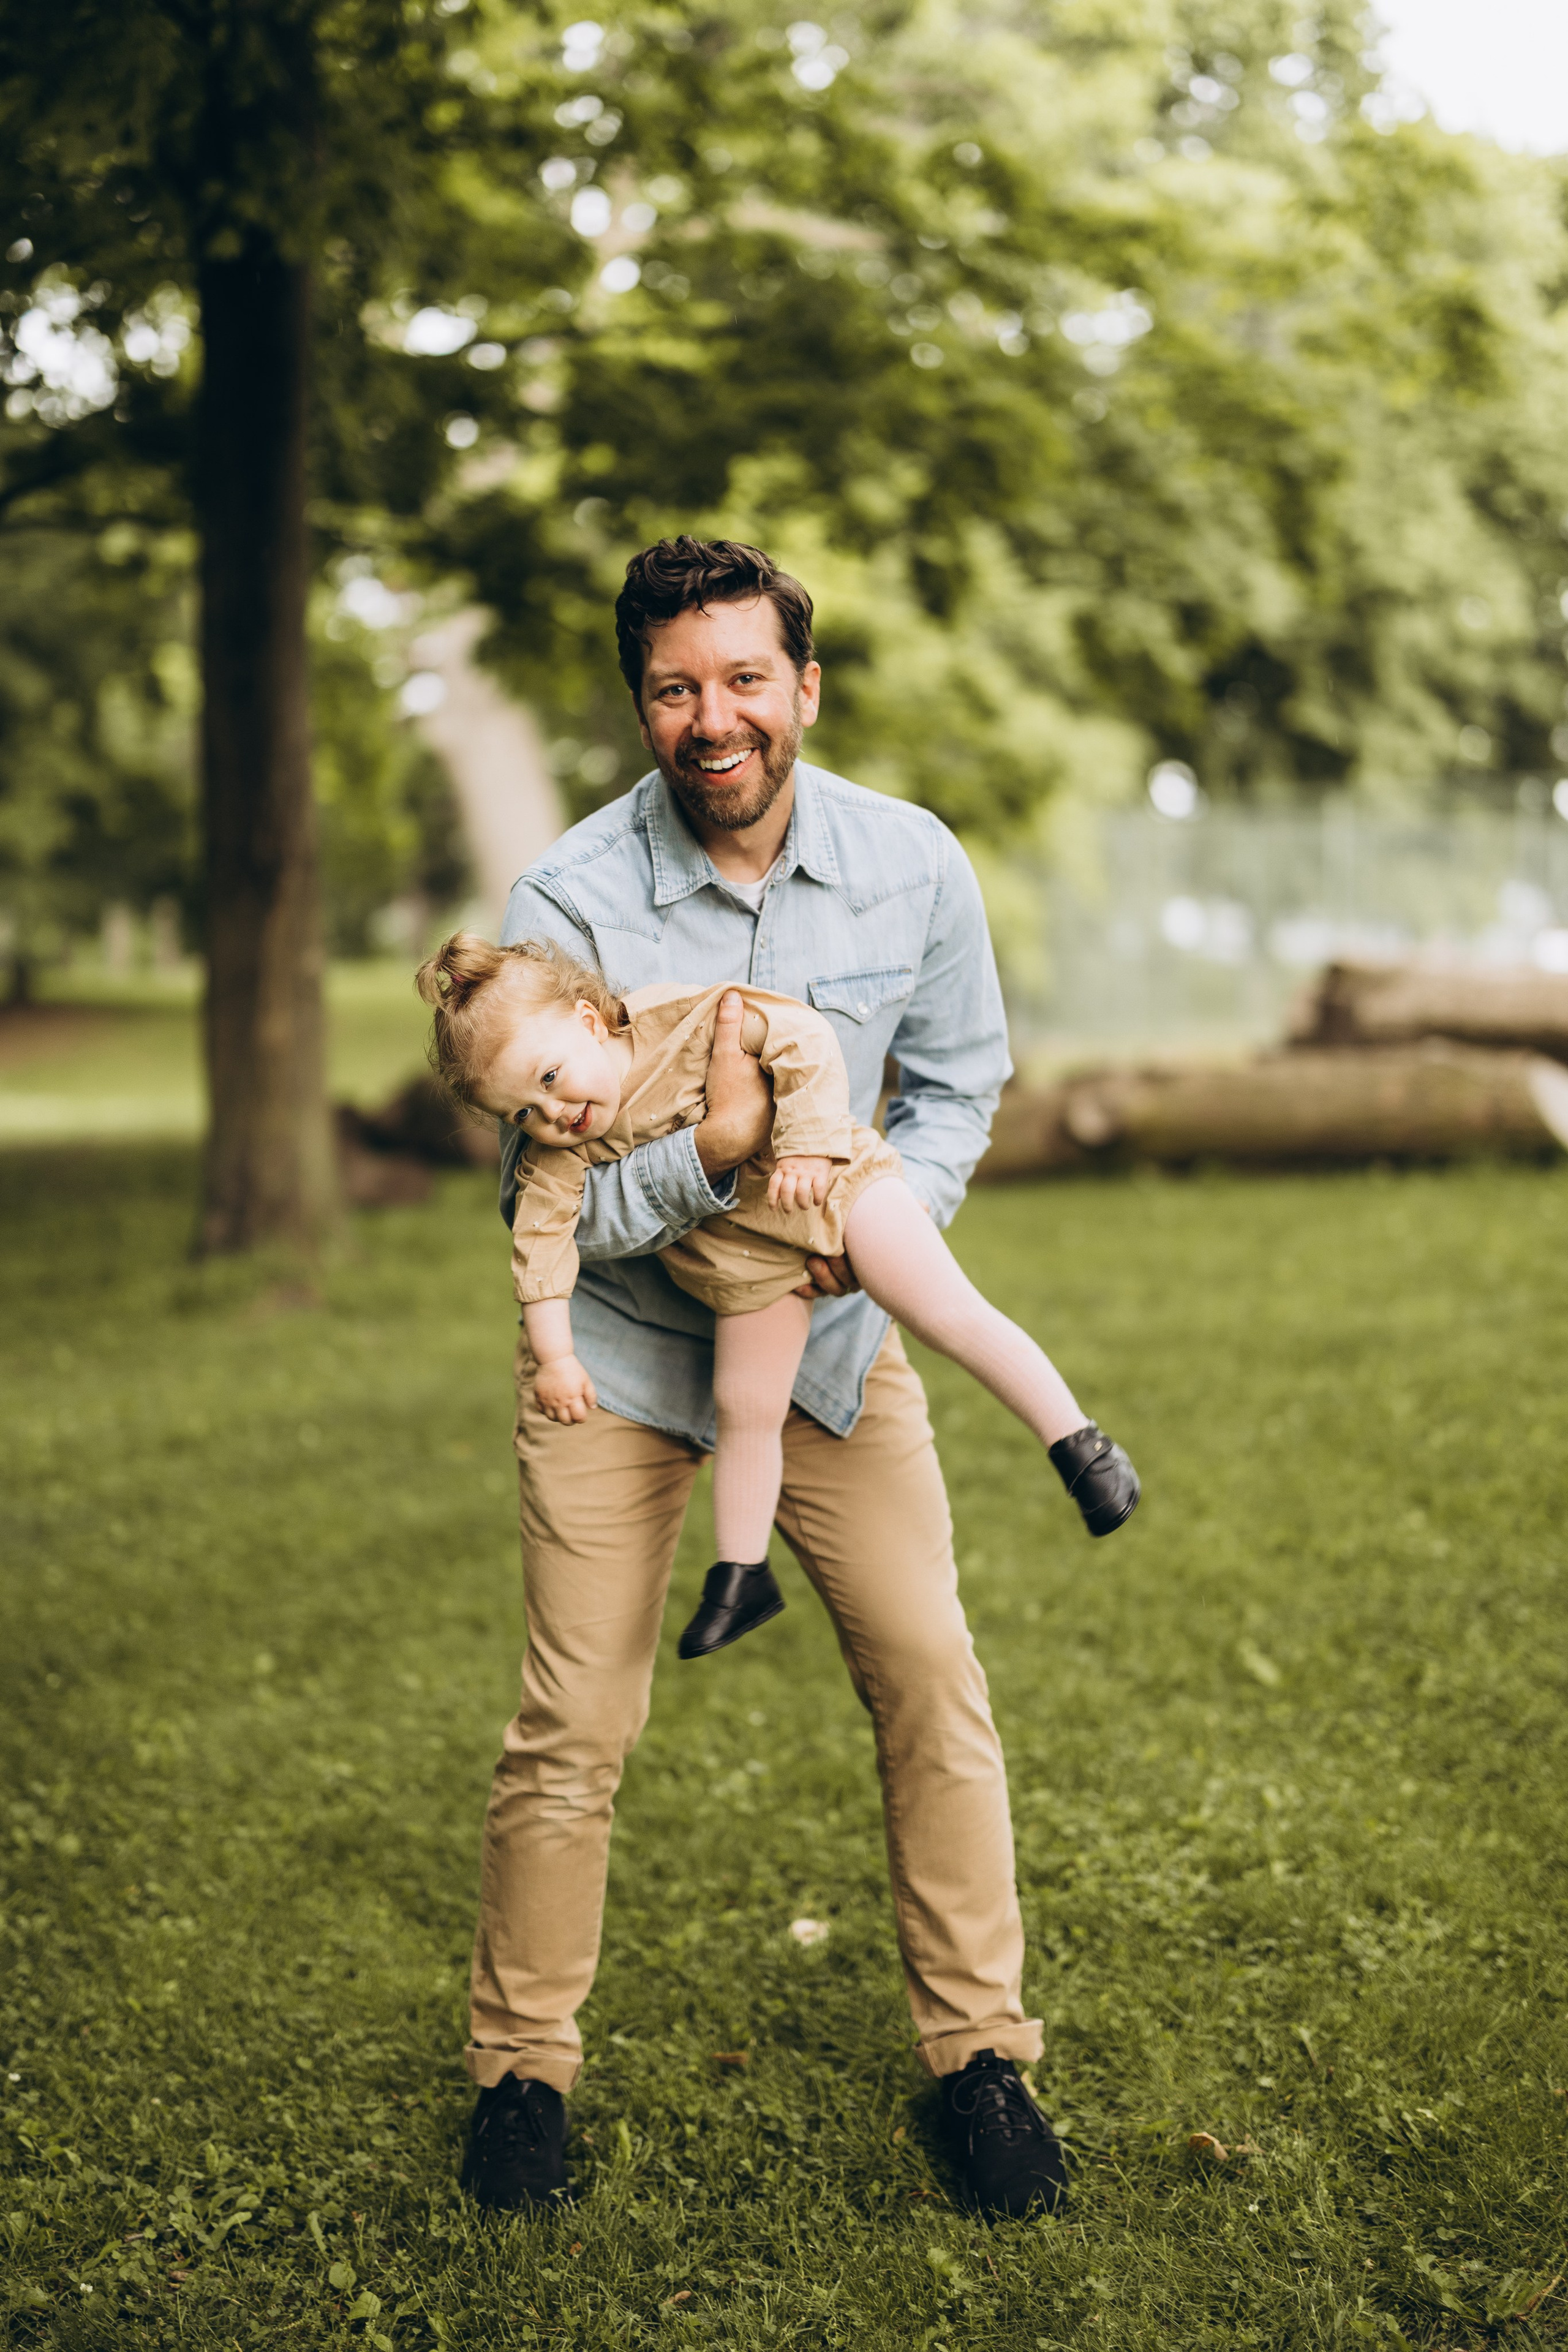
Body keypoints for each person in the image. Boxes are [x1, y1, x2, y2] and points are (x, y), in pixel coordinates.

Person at [458, 535, 1131, 2220]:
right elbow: (556, 1204)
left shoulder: (912, 865)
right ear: (643, 704)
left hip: (831, 1352)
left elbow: (961, 1084)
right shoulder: (565, 906)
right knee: (571, 1731)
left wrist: (867, 1224)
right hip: (619, 1364)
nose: (716, 716)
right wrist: (722, 1159)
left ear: (803, 688)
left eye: (746, 677)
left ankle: (980, 2062)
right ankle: (521, 2079)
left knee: (933, 1683)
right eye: (678, 687)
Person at [416, 936, 1139, 1664]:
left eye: (550, 1077)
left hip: (836, 1188)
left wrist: (807, 1145)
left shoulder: (684, 1021)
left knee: (943, 1310)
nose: (553, 1112)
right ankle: (741, 1575)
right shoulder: (559, 1154)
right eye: (522, 1114)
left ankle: (1080, 1446)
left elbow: (802, 1036)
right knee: (746, 1406)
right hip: (750, 1263)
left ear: (589, 1022)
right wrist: (556, 1358)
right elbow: (539, 1247)